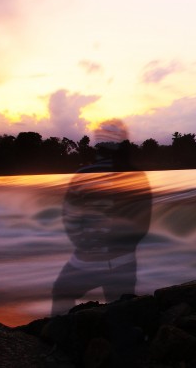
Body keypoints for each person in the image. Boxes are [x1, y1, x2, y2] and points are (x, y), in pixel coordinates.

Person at [51, 120, 152, 316]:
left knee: (61, 291)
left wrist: (86, 247)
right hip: (124, 261)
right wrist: (123, 249)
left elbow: (70, 218)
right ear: (123, 143)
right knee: (122, 313)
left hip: (85, 260)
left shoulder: (83, 175)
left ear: (98, 144)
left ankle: (61, 337)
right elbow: (143, 223)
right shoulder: (136, 176)